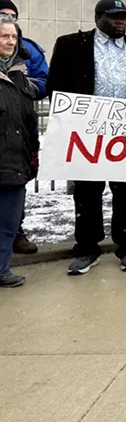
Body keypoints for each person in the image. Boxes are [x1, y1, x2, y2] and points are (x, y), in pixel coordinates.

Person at [47, 0, 126, 275]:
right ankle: (87, 248)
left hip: (125, 133)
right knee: (87, 192)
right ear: (98, 17)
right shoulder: (70, 46)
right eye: (114, 17)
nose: (120, 22)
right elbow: (56, 86)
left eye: (123, 17)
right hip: (88, 133)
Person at [0, 0, 47, 255]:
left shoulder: (28, 49)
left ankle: (15, 233)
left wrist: (28, 87)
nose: (9, 22)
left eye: (13, 16)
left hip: (21, 128)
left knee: (16, 184)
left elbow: (44, 80)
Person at [0, 15, 39, 287]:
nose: (10, 41)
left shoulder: (21, 75)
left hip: (16, 162)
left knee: (7, 225)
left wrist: (32, 155)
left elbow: (28, 121)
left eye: (14, 37)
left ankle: (2, 271)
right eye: (4, 36)